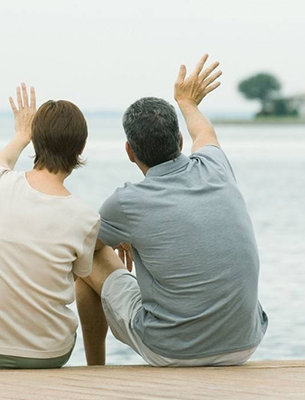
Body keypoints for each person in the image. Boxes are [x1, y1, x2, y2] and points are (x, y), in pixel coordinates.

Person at [76, 54, 268, 367]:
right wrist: (187, 102)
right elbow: (204, 134)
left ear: (129, 151)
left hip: (172, 351)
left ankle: (94, 368)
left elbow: (82, 249)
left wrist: (122, 235)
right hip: (244, 344)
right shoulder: (216, 167)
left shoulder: (125, 202)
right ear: (179, 140)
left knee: (90, 259)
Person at [0, 83, 100, 369]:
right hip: (50, 354)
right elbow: (78, 276)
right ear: (80, 148)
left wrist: (21, 134)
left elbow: (1, 162)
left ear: (35, 143)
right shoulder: (86, 217)